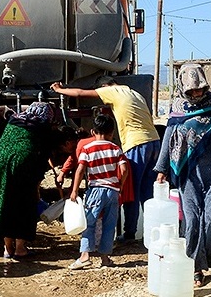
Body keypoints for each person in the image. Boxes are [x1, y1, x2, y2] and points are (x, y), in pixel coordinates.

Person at [155, 63, 211, 288]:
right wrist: (162, 168)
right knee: (192, 221)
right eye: (191, 90)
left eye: (199, 89)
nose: (196, 94)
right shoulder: (177, 107)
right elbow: (169, 138)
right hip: (188, 175)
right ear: (183, 87)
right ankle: (194, 268)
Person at [52, 77, 160, 241]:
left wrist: (59, 90)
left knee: (131, 191)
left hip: (136, 143)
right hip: (154, 142)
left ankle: (130, 233)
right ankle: (155, 232)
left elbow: (80, 93)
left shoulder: (112, 91)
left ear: (104, 86)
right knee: (147, 191)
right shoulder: (134, 93)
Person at [0, 102, 55, 259]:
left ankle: (7, 248)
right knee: (22, 201)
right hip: (22, 159)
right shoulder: (42, 124)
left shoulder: (14, 119)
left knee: (2, 198)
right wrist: (37, 183)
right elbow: (42, 156)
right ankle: (20, 249)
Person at [68, 114, 129, 270]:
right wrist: (120, 185)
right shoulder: (115, 148)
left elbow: (81, 169)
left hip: (96, 190)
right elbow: (124, 169)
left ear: (92, 132)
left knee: (90, 223)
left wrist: (74, 190)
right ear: (111, 133)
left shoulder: (87, 149)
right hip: (113, 191)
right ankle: (105, 258)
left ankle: (85, 256)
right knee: (110, 225)